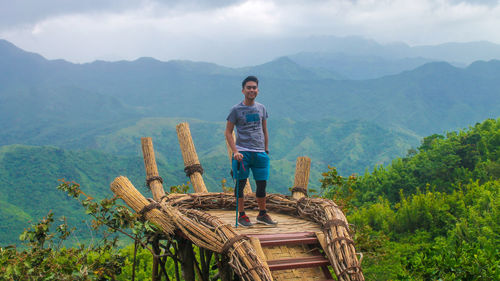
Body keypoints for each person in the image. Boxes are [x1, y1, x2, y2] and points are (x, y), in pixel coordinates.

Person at [225, 75, 277, 227]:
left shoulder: (262, 108)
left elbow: (264, 130)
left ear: (258, 90)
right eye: (249, 87)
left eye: (254, 87)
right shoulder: (236, 110)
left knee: (262, 185)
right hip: (243, 153)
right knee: (240, 185)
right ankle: (242, 215)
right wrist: (235, 151)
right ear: (243, 90)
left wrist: (266, 149)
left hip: (260, 152)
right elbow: (228, 132)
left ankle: (262, 214)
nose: (251, 90)